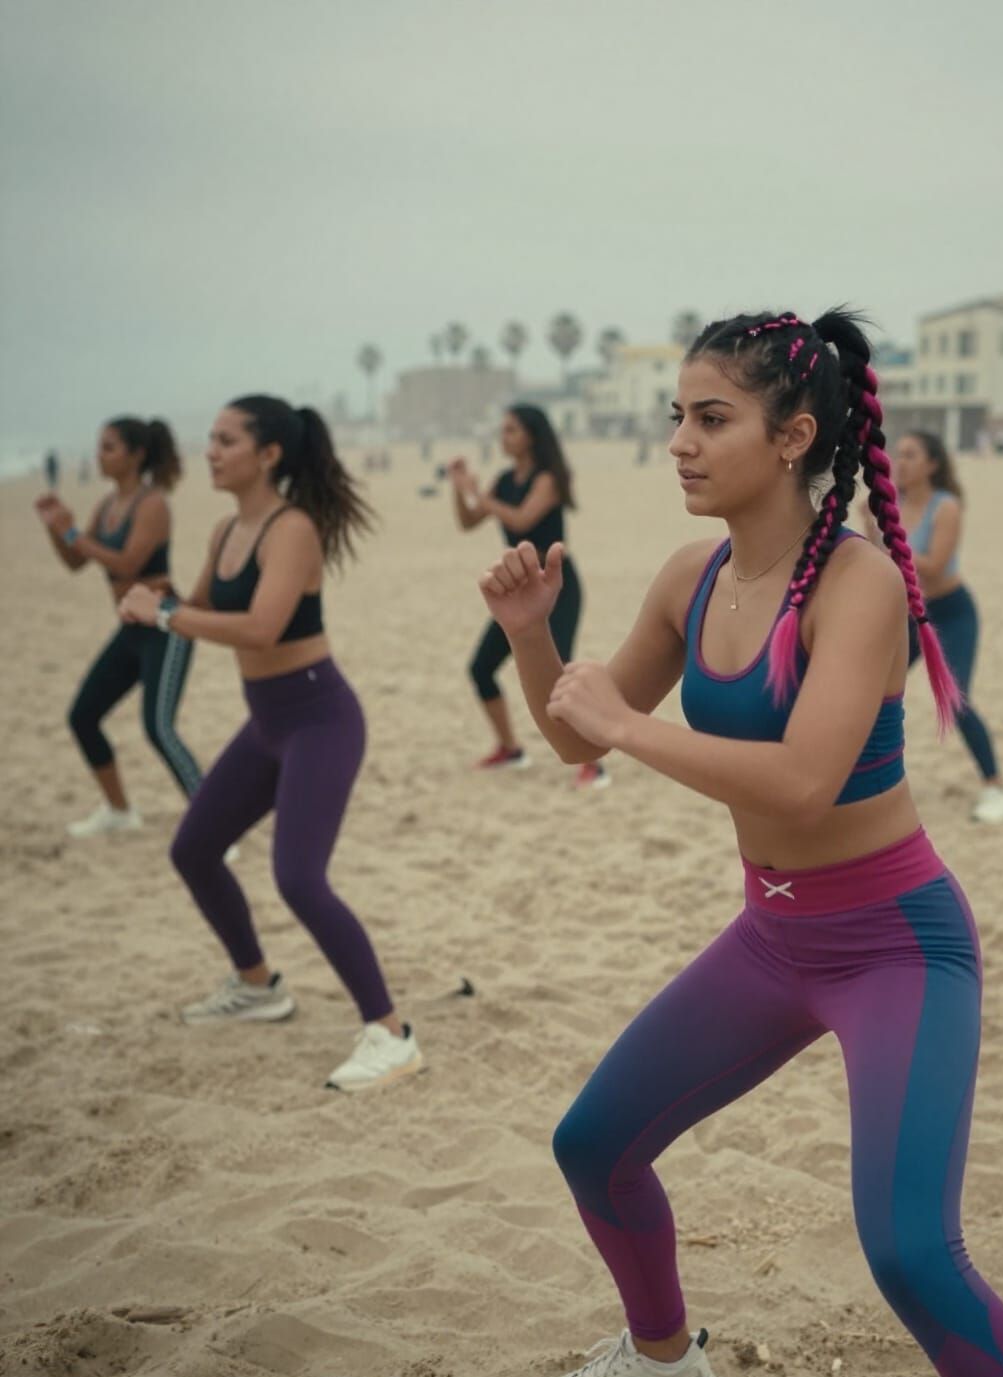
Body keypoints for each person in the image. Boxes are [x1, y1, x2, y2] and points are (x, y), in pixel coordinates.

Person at [481, 309, 1003, 1377]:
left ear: (793, 437)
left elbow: (802, 784)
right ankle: (662, 1359)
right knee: (594, 1146)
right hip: (773, 938)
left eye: (712, 419)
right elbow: (573, 737)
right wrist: (530, 635)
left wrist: (627, 726)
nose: (680, 443)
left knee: (911, 1252)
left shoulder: (860, 583)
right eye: (677, 417)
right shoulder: (689, 577)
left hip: (896, 945)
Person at [118, 395, 421, 1093]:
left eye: (226, 440)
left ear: (270, 454)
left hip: (320, 717)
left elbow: (260, 627)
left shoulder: (292, 529)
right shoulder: (227, 529)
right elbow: (197, 609)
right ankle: (257, 984)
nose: (211, 451)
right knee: (194, 849)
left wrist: (164, 614)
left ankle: (392, 1033)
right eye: (210, 438)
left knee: (299, 878)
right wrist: (148, 597)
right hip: (267, 722)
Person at [35, 417, 202, 836]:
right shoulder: (108, 505)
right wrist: (57, 529)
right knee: (83, 716)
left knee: (159, 730)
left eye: (109, 448)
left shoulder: (153, 504)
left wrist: (73, 532)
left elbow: (127, 563)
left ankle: (214, 823)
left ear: (136, 455)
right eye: (100, 447)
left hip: (166, 625)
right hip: (130, 630)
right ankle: (119, 811)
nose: (100, 456)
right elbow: (76, 562)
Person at [449, 404, 607, 789]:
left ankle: (592, 762)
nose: (503, 437)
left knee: (560, 676)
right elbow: (469, 522)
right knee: (481, 668)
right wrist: (459, 488)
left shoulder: (548, 479)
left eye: (511, 430)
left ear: (531, 436)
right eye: (503, 430)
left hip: (557, 585)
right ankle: (509, 748)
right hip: (519, 590)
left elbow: (522, 519)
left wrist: (479, 495)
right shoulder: (504, 480)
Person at [872, 431, 1003, 822]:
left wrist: (888, 538)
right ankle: (864, 781)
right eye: (898, 454)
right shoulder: (890, 504)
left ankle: (996, 788)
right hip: (908, 616)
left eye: (911, 455)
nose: (900, 462)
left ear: (932, 464)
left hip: (950, 613)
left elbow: (934, 567)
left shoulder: (945, 507)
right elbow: (877, 561)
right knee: (870, 694)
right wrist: (871, 523)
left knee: (956, 699)